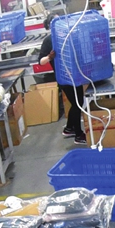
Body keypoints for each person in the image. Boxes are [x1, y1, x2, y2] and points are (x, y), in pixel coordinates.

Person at [38, 15, 88, 144]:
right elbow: (41, 61)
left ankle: (69, 128)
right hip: (64, 78)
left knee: (76, 103)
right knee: (77, 104)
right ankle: (78, 134)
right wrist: (50, 57)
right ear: (51, 25)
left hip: (74, 75)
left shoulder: (67, 36)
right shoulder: (49, 40)